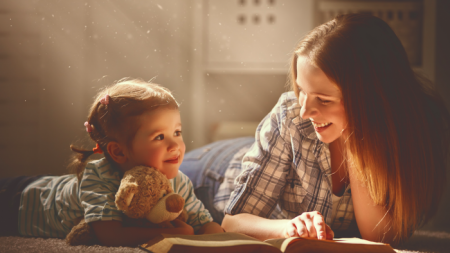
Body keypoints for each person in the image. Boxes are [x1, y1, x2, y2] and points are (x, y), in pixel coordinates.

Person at [180, 13, 450, 246]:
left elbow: (379, 237)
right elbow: (233, 222)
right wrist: (288, 229)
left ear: (372, 100)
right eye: (302, 91)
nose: (306, 111)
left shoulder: (412, 130)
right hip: (211, 173)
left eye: (324, 99)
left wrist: (357, 139)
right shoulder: (291, 116)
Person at [0, 79, 223, 246]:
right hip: (20, 201)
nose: (175, 145)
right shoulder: (99, 175)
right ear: (118, 152)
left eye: (177, 132)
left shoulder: (178, 182)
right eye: (159, 137)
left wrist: (222, 238)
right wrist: (174, 235)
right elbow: (108, 234)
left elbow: (203, 221)